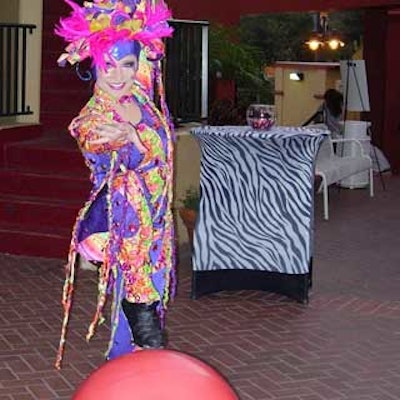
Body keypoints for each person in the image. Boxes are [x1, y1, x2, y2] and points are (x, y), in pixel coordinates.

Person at [54, 0, 176, 369]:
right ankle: (131, 367)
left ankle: (139, 367)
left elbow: (163, 150)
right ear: (94, 65)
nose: (118, 74)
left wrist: (138, 137)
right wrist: (132, 142)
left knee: (155, 296)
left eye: (127, 64)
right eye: (109, 64)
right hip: (127, 224)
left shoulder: (140, 99)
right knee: (138, 306)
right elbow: (101, 144)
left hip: (157, 220)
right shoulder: (92, 117)